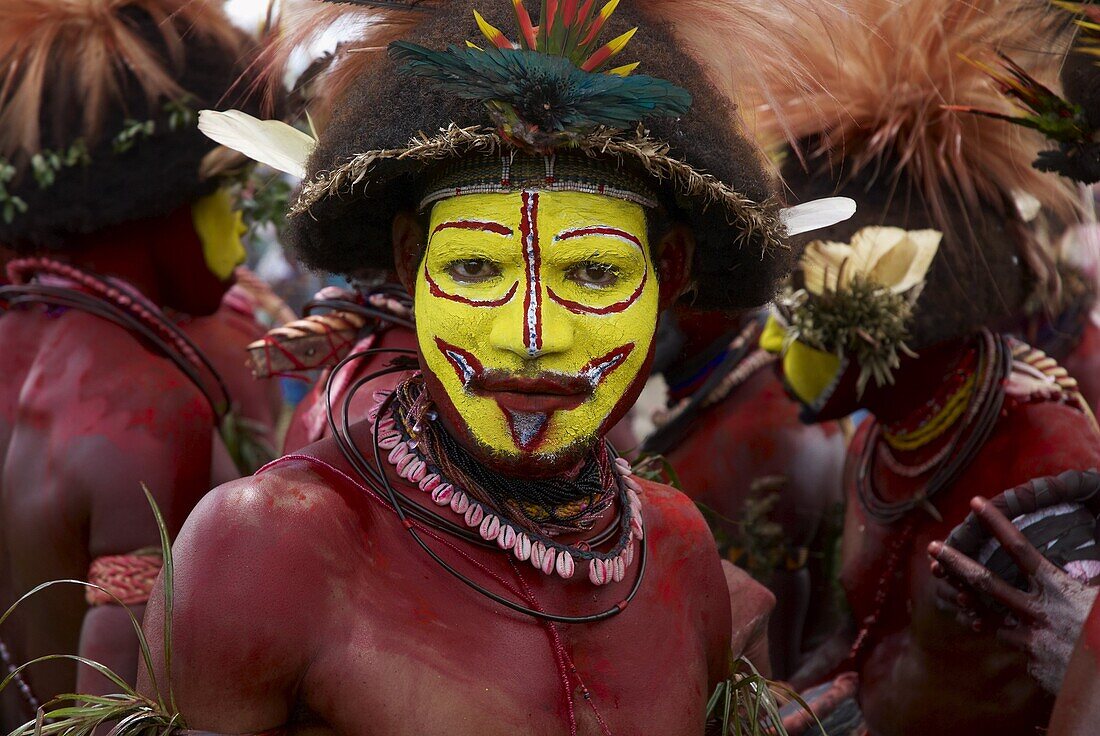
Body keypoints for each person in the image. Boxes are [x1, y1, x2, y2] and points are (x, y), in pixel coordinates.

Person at [135, 1, 854, 732]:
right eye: (475, 266)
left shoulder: (675, 549)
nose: (531, 334)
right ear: (411, 262)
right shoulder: (266, 550)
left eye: (597, 274)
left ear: (669, 275)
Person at [754, 1, 1100, 735]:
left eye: (796, 316)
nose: (768, 348)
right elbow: (868, 644)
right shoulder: (877, 443)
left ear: (891, 323)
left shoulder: (1044, 458)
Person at [0, 0, 276, 724]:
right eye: (229, 194)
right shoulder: (150, 409)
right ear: (164, 202)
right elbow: (118, 712)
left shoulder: (22, 344)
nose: (244, 232)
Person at [642, 305, 846, 679]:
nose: (645, 303)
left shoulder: (765, 438)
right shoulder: (738, 398)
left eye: (674, 282)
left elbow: (765, 674)